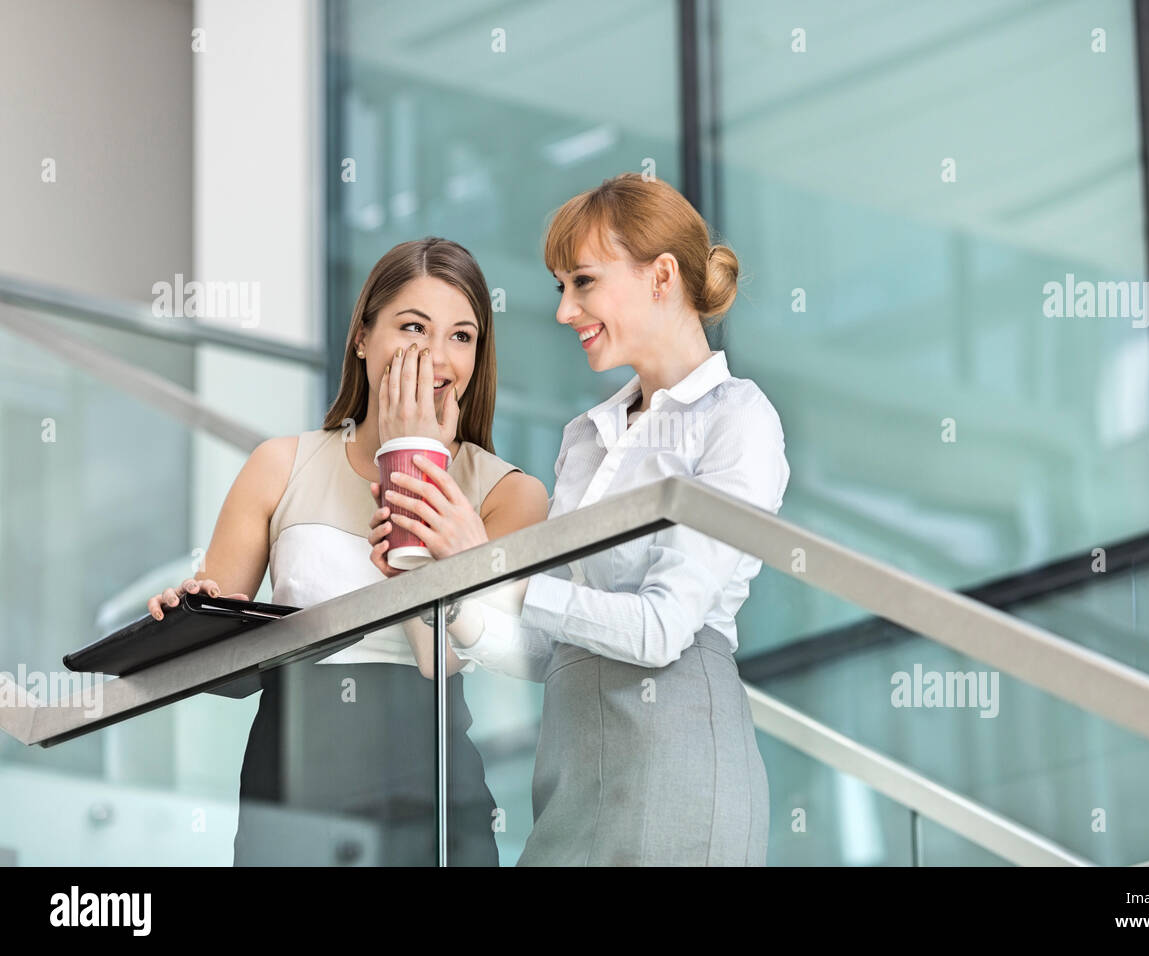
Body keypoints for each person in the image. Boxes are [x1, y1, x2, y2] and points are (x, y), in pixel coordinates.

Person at [368, 174, 789, 865]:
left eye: (583, 283)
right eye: (560, 286)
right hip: (569, 768)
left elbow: (659, 631)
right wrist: (457, 594)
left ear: (661, 277)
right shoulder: (585, 437)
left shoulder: (738, 419)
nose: (564, 311)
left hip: (676, 759)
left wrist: (491, 566)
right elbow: (555, 648)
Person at [145, 237, 549, 866]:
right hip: (295, 773)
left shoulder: (511, 495)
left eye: (461, 336)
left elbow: (440, 656)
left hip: (432, 786)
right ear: (362, 336)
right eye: (412, 326)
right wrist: (190, 611)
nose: (436, 357)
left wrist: (419, 460)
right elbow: (220, 654)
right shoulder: (280, 464)